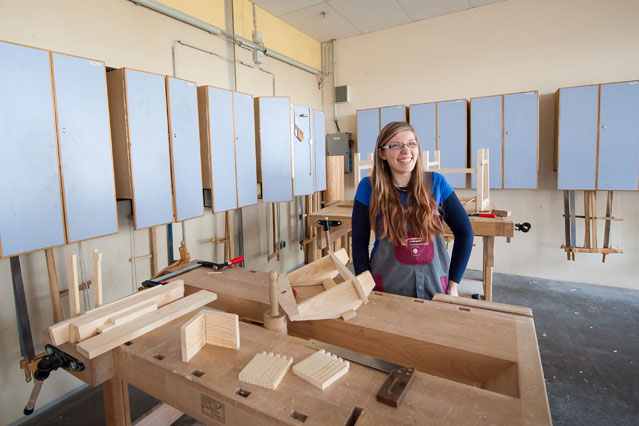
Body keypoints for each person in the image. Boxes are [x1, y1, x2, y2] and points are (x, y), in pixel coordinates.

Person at [351, 121, 473, 300]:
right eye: (396, 145)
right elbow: (359, 242)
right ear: (382, 153)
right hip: (387, 287)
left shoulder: (437, 183)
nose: (406, 151)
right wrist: (364, 283)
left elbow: (465, 233)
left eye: (411, 143)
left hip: (434, 287)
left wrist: (454, 284)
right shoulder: (368, 188)